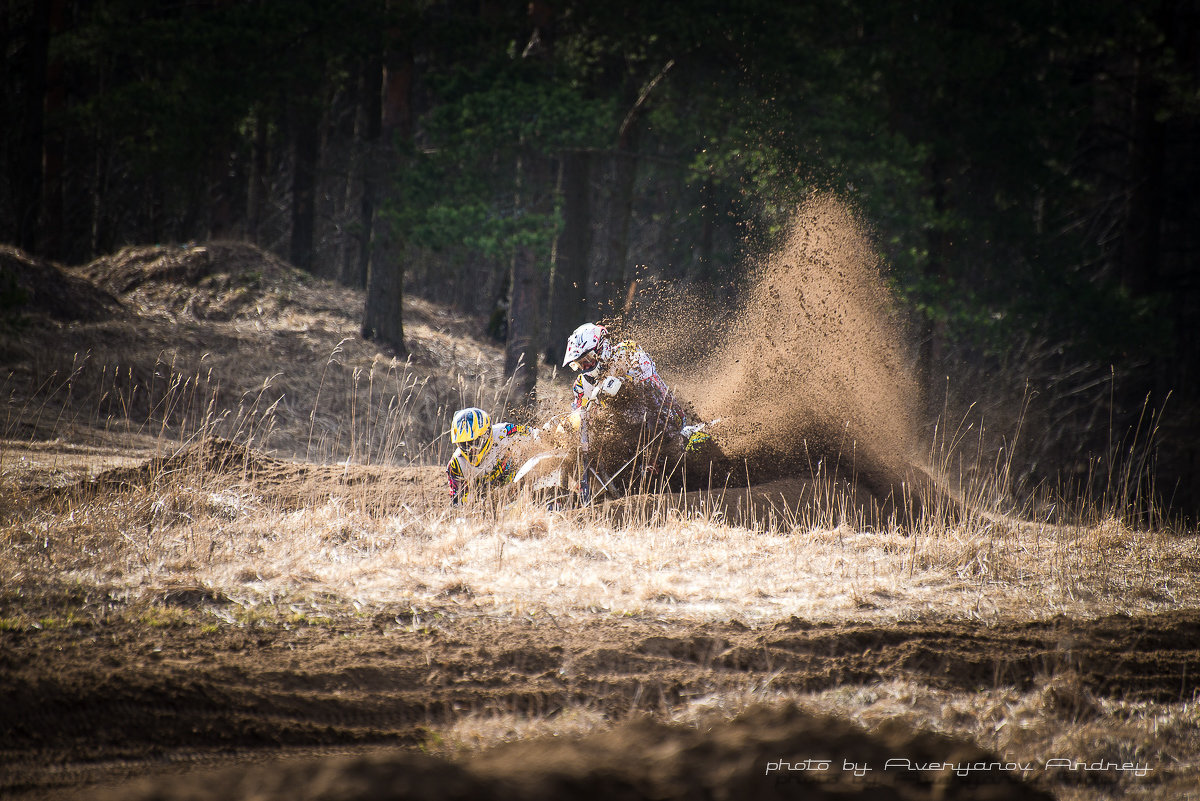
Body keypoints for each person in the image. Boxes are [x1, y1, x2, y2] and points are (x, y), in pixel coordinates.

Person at [446, 407, 538, 505]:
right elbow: (457, 502)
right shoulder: (456, 464)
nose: (471, 449)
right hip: (493, 507)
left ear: (487, 433)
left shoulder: (505, 432)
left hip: (525, 488)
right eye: (464, 444)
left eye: (475, 442)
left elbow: (538, 436)